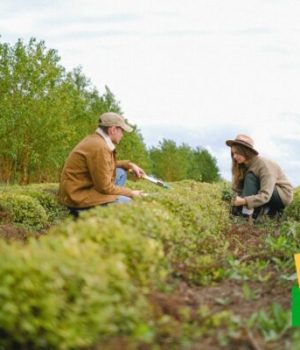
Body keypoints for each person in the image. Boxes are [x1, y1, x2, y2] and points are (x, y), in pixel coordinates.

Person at [59, 112, 145, 217]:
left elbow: (103, 164)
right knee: (129, 203)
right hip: (77, 197)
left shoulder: (97, 140)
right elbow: (104, 187)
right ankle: (84, 212)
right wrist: (131, 193)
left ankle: (108, 203)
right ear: (112, 130)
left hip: (83, 189)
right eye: (122, 130)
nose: (123, 134)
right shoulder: (100, 147)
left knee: (121, 173)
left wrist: (129, 165)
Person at [226, 134, 293, 220]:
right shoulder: (243, 165)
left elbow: (265, 195)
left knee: (251, 176)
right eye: (233, 153)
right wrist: (232, 200)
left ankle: (246, 215)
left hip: (281, 195)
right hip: (266, 193)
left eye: (237, 153)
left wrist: (244, 201)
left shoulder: (263, 165)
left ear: (245, 151)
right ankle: (248, 213)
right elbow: (237, 189)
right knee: (247, 179)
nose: (234, 157)